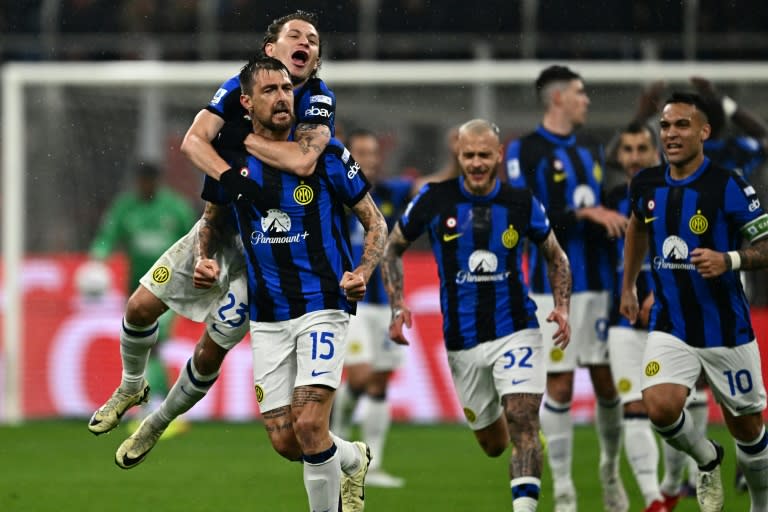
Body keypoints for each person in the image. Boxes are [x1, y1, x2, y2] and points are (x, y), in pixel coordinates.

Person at [90, 8, 342, 465]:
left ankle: (157, 423)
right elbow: (193, 141)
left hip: (275, 251)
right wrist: (232, 181)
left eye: (314, 39)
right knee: (140, 305)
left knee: (211, 350)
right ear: (271, 49)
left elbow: (304, 161)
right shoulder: (239, 90)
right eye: (296, 35)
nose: (307, 42)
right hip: (226, 223)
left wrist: (243, 143)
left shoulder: (319, 99)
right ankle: (131, 385)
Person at [222, 56, 387, 512]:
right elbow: (212, 217)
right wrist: (202, 260)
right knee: (286, 440)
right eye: (270, 90)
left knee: (311, 423)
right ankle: (353, 457)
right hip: (269, 313)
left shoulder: (329, 155)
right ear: (246, 102)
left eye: (286, 89)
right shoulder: (230, 158)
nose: (281, 97)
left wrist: (362, 273)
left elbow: (376, 224)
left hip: (323, 303)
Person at [382, 119, 572, 512]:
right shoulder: (435, 199)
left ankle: (526, 490)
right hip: (462, 341)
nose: (477, 163)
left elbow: (556, 255)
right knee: (493, 444)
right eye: (469, 155)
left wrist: (562, 305)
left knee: (521, 417)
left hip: (515, 328)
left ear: (498, 155)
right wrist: (398, 304)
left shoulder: (521, 202)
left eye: (485, 155)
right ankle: (529, 441)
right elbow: (392, 248)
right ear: (459, 155)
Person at [620, 92, 768, 512]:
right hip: (672, 325)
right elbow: (636, 227)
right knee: (660, 407)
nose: (670, 134)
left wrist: (730, 259)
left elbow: (767, 245)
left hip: (726, 329)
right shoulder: (646, 184)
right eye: (665, 126)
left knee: (749, 429)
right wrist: (629, 285)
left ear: (704, 132)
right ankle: (707, 458)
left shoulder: (729, 184)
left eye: (682, 125)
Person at [504, 65, 628, 512]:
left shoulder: (592, 147)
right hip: (548, 288)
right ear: (557, 98)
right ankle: (565, 493)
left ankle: (610, 472)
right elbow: (522, 212)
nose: (586, 100)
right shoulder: (525, 150)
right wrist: (584, 215)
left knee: (607, 383)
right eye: (579, 93)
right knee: (557, 387)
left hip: (599, 283)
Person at [87, 161, 195, 434]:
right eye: (142, 180)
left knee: (153, 343)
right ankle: (165, 407)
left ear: (157, 181)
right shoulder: (125, 208)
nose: (146, 185)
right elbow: (106, 237)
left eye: (150, 180)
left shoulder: (175, 208)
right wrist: (97, 261)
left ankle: (156, 405)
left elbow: (196, 237)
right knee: (147, 346)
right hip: (138, 292)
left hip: (172, 290)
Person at [331, 128, 410, 488]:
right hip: (352, 302)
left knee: (378, 383)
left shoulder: (390, 194)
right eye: (361, 151)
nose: (369, 158)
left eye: (373, 152)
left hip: (385, 299)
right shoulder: (335, 193)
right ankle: (339, 432)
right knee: (360, 376)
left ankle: (372, 464)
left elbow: (432, 187)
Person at [605, 121, 670, 512]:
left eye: (641, 149)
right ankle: (653, 500)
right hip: (623, 318)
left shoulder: (676, 193)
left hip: (676, 316)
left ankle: (677, 484)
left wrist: (659, 293)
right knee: (633, 404)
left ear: (656, 152)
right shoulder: (612, 197)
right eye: (626, 149)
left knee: (680, 406)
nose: (633, 158)